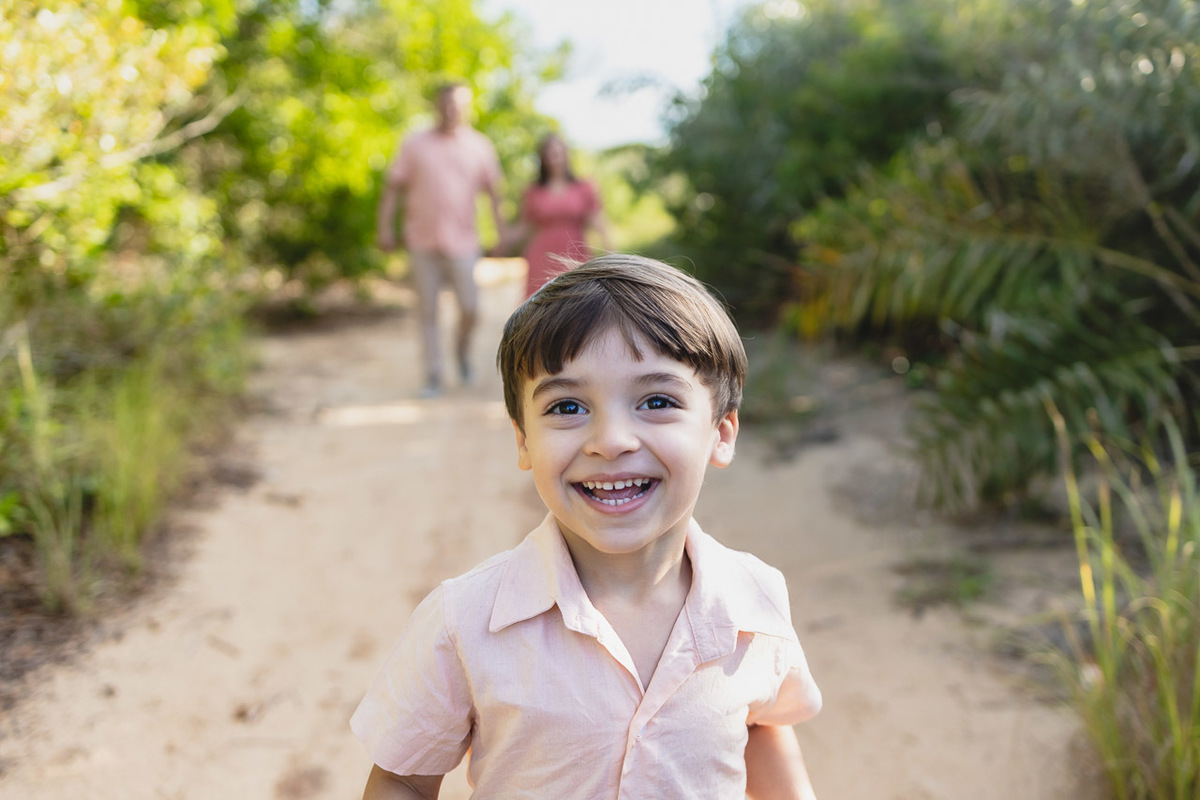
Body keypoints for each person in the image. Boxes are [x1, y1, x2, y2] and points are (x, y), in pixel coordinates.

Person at [351, 254, 823, 799]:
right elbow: (403, 778)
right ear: (524, 440)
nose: (611, 439)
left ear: (721, 432)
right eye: (568, 407)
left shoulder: (755, 603)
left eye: (656, 400)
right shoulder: (465, 622)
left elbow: (763, 724)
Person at [376, 81, 504, 398]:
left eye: (458, 104)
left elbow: (494, 194)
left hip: (464, 242)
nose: (451, 110)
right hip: (421, 240)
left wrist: (501, 233)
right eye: (446, 103)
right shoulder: (414, 143)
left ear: (467, 107)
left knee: (471, 307)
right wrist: (385, 228)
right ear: (437, 105)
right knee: (427, 312)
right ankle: (433, 375)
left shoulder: (480, 145)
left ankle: (461, 354)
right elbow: (393, 188)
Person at [493, 133, 612, 298]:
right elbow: (525, 226)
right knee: (541, 305)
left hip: (575, 252)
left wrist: (610, 251)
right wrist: (502, 240)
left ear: (567, 154)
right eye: (549, 153)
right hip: (541, 257)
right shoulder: (533, 191)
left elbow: (597, 219)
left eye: (558, 152)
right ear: (543, 158)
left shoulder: (583, 187)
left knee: (579, 303)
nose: (554, 158)